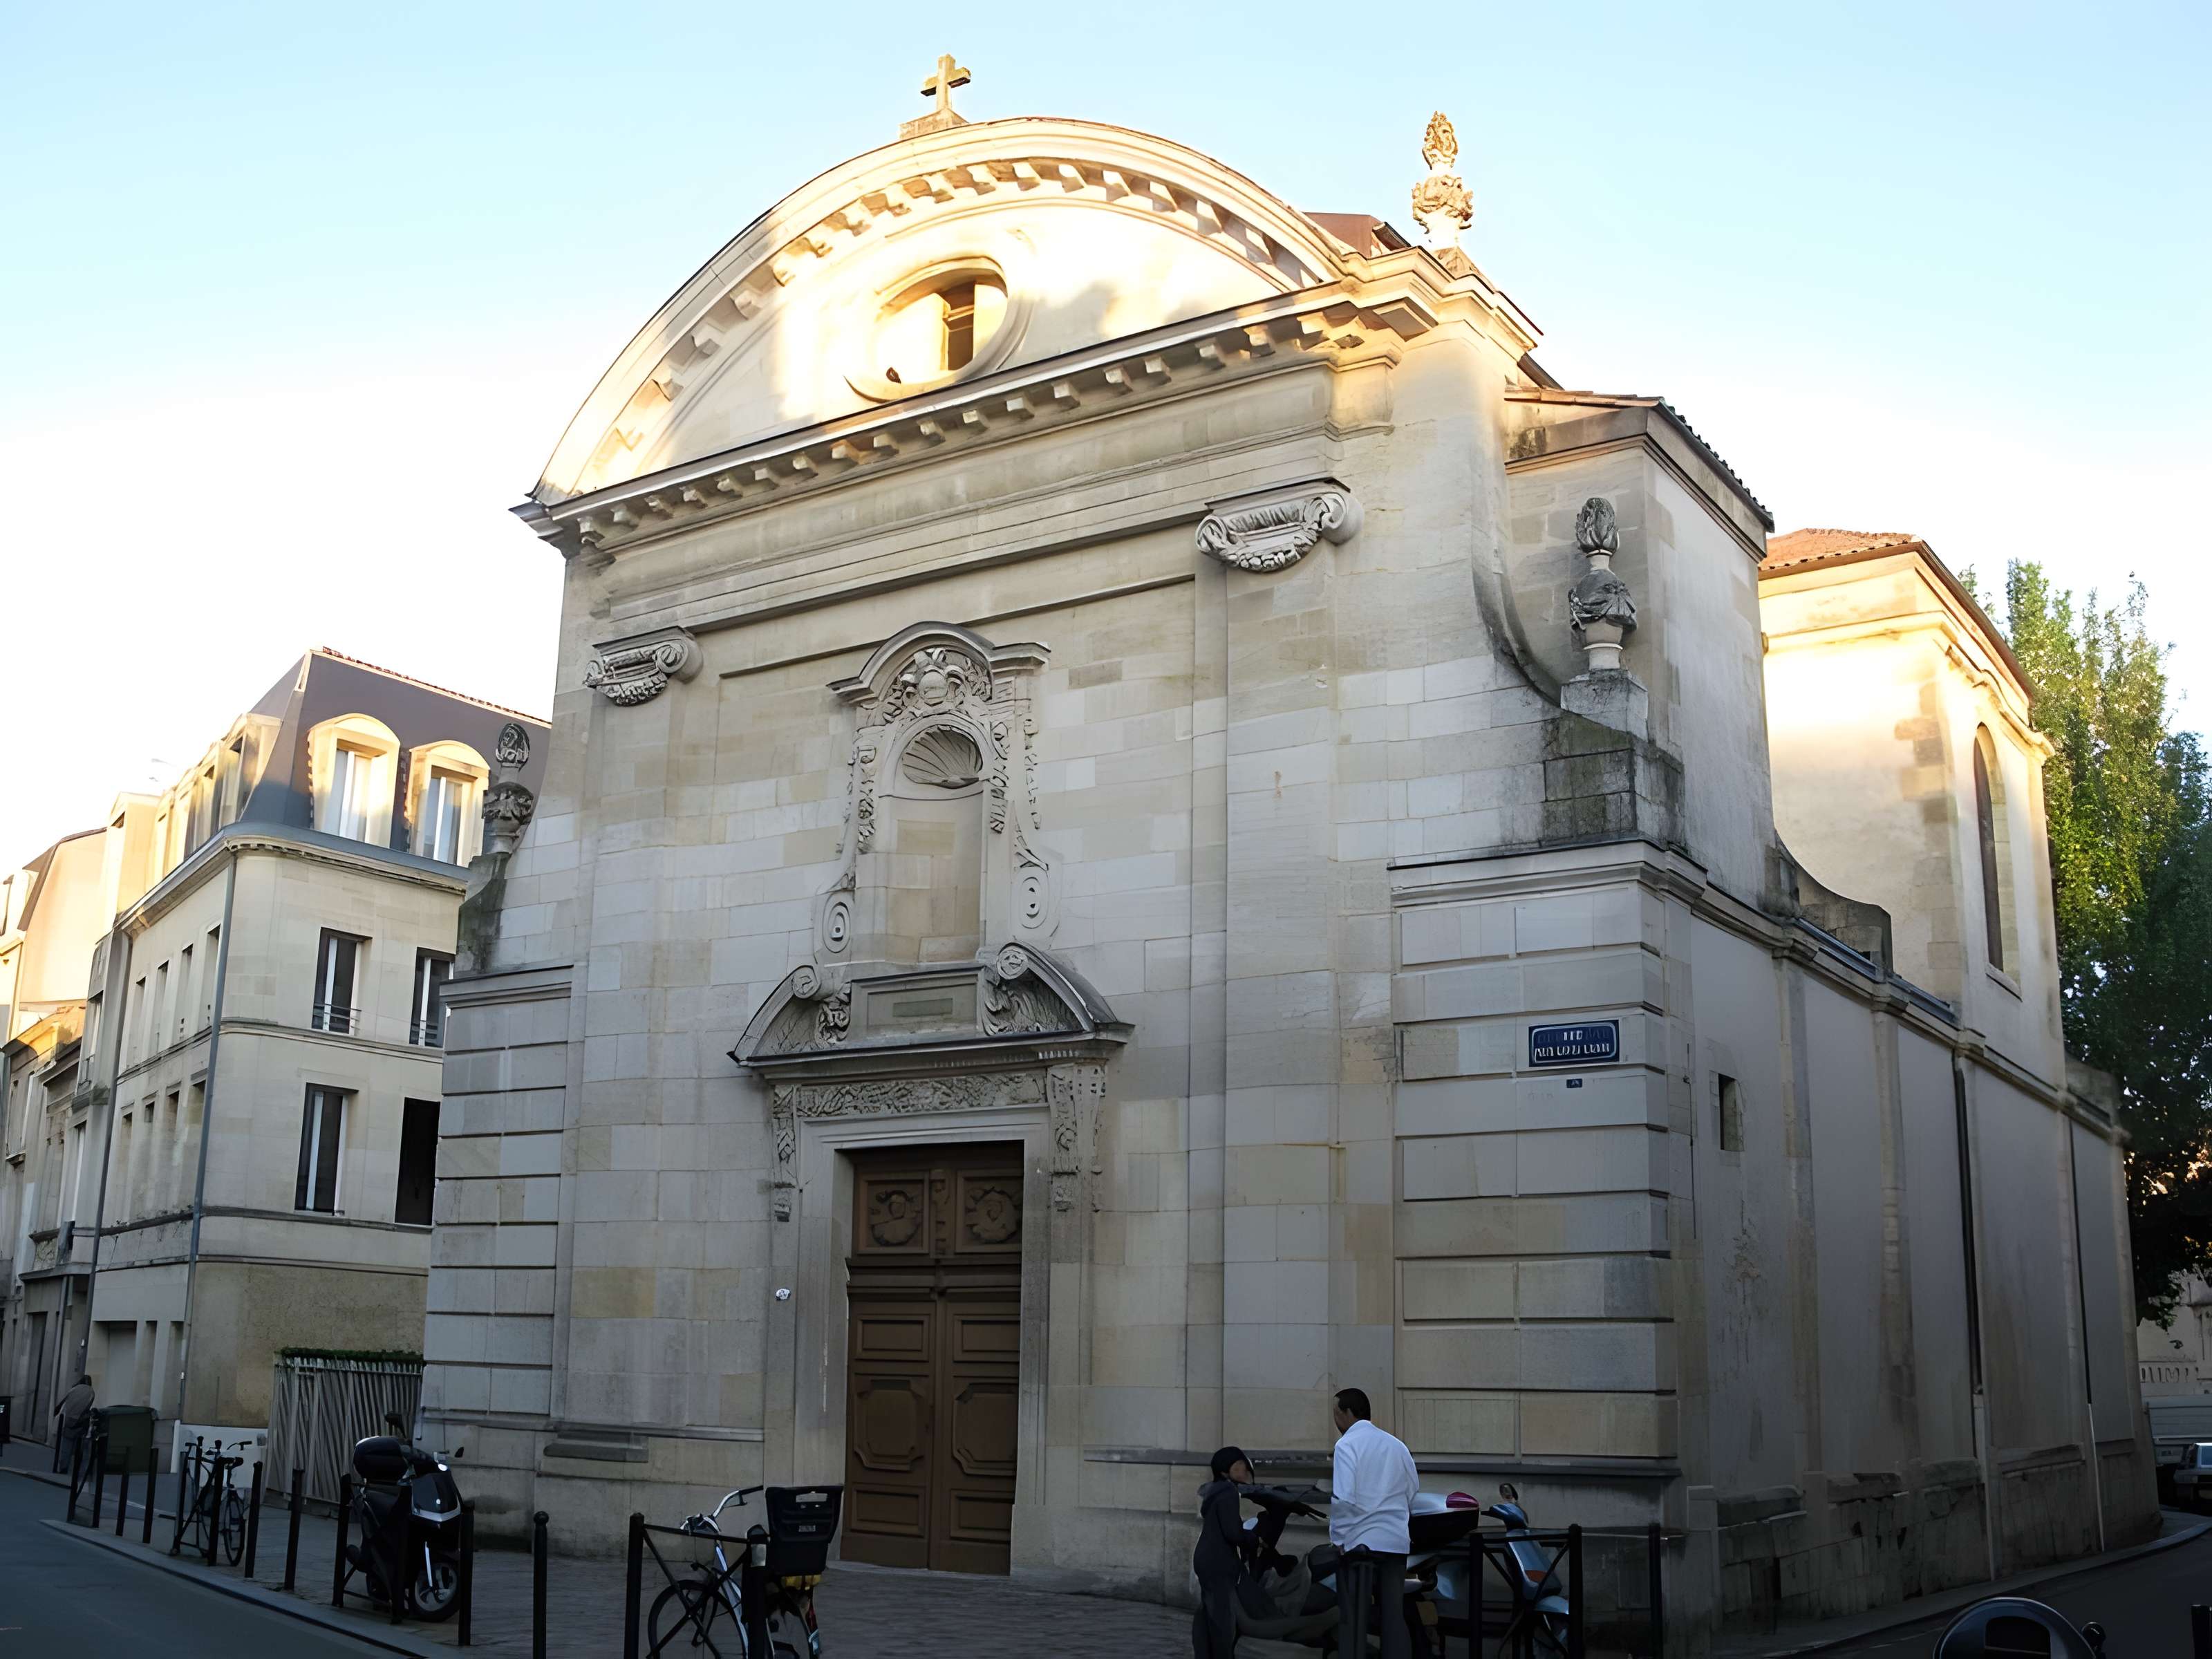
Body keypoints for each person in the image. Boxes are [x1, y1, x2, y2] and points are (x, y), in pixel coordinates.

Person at [1329, 1386, 1419, 1659]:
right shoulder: (1396, 1444)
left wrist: (1339, 1540)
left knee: (1354, 1616)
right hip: (1395, 1540)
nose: (1334, 1420)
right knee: (1394, 1614)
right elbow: (1413, 1488)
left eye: (1336, 1413)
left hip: (1360, 1543)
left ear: (1347, 1413)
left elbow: (1344, 1497)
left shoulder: (1346, 1445)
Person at [1192, 1444, 1254, 1657]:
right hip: (1218, 1561)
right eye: (1238, 1465)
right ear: (1224, 1471)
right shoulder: (1228, 1492)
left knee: (1208, 1613)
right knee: (1222, 1621)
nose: (1244, 1469)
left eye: (1244, 1464)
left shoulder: (1216, 1491)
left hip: (1206, 1558)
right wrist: (1254, 1539)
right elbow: (1233, 1533)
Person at [53, 1373, 94, 1474]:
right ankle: (77, 1469)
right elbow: (88, 1406)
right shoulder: (91, 1392)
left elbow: (62, 1403)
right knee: (79, 1448)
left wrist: (56, 1411)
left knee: (66, 1446)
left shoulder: (73, 1390)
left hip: (69, 1420)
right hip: (82, 1422)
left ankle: (64, 1468)